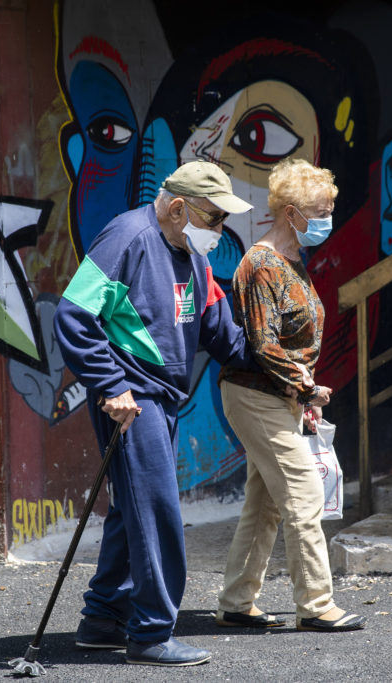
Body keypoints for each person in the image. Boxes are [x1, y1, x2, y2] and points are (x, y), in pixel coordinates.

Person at [53, 160, 256, 667]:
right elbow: (75, 315)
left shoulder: (193, 254)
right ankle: (151, 634)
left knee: (132, 508)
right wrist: (111, 384)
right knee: (159, 510)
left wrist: (278, 366)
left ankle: (102, 620)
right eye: (215, 219)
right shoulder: (129, 237)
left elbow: (218, 330)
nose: (220, 231)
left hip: (162, 397)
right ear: (180, 207)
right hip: (132, 401)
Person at [215, 158, 366, 633]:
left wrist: (300, 398)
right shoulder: (261, 264)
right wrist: (306, 388)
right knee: (303, 494)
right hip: (255, 394)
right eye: (319, 211)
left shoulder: (293, 261)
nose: (326, 220)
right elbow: (264, 345)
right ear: (291, 212)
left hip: (278, 396)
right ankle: (317, 606)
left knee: (265, 503)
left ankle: (237, 601)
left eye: (328, 209)